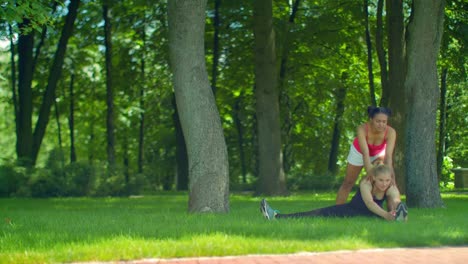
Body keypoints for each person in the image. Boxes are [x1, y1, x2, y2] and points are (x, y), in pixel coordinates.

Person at [260, 164, 408, 221]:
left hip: (368, 215)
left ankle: (276, 217)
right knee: (314, 214)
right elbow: (369, 203)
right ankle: (277, 217)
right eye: (381, 180)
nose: (384, 184)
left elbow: (396, 200)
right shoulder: (366, 184)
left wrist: (398, 210)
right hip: (350, 210)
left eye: (387, 180)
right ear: (374, 177)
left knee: (316, 216)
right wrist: (385, 215)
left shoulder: (391, 187)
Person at [336, 106, 396, 206]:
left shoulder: (391, 132)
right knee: (348, 182)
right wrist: (370, 173)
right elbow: (365, 153)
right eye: (378, 121)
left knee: (388, 182)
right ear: (371, 119)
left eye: (384, 122)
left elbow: (388, 156)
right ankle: (337, 210)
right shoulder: (362, 129)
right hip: (359, 152)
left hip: (378, 154)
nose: (381, 124)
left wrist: (391, 175)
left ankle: (393, 212)